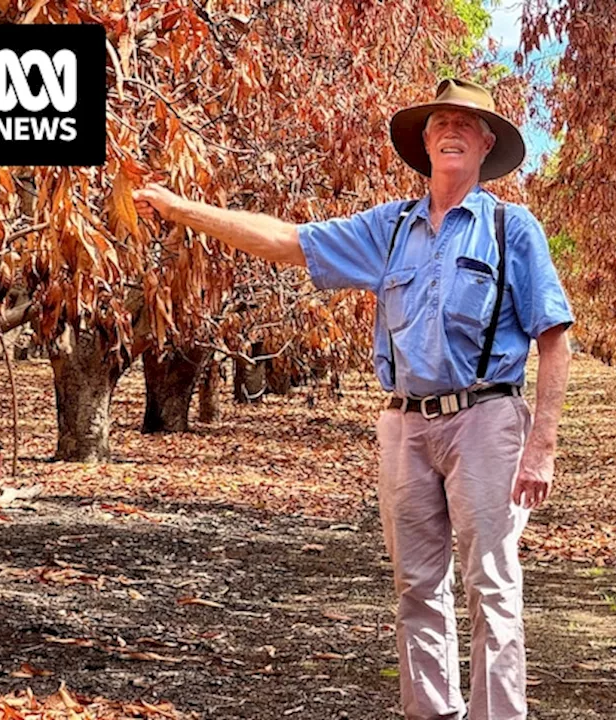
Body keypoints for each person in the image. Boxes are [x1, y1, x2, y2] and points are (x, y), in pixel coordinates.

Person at [133, 78, 574, 720]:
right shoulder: (388, 229)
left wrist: (541, 448)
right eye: (439, 122)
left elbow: (555, 340)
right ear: (425, 144)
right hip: (405, 426)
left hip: (486, 419)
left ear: (485, 145)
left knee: (491, 586)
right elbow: (288, 241)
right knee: (417, 586)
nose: (451, 130)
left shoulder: (512, 229)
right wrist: (181, 209)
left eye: (466, 123)